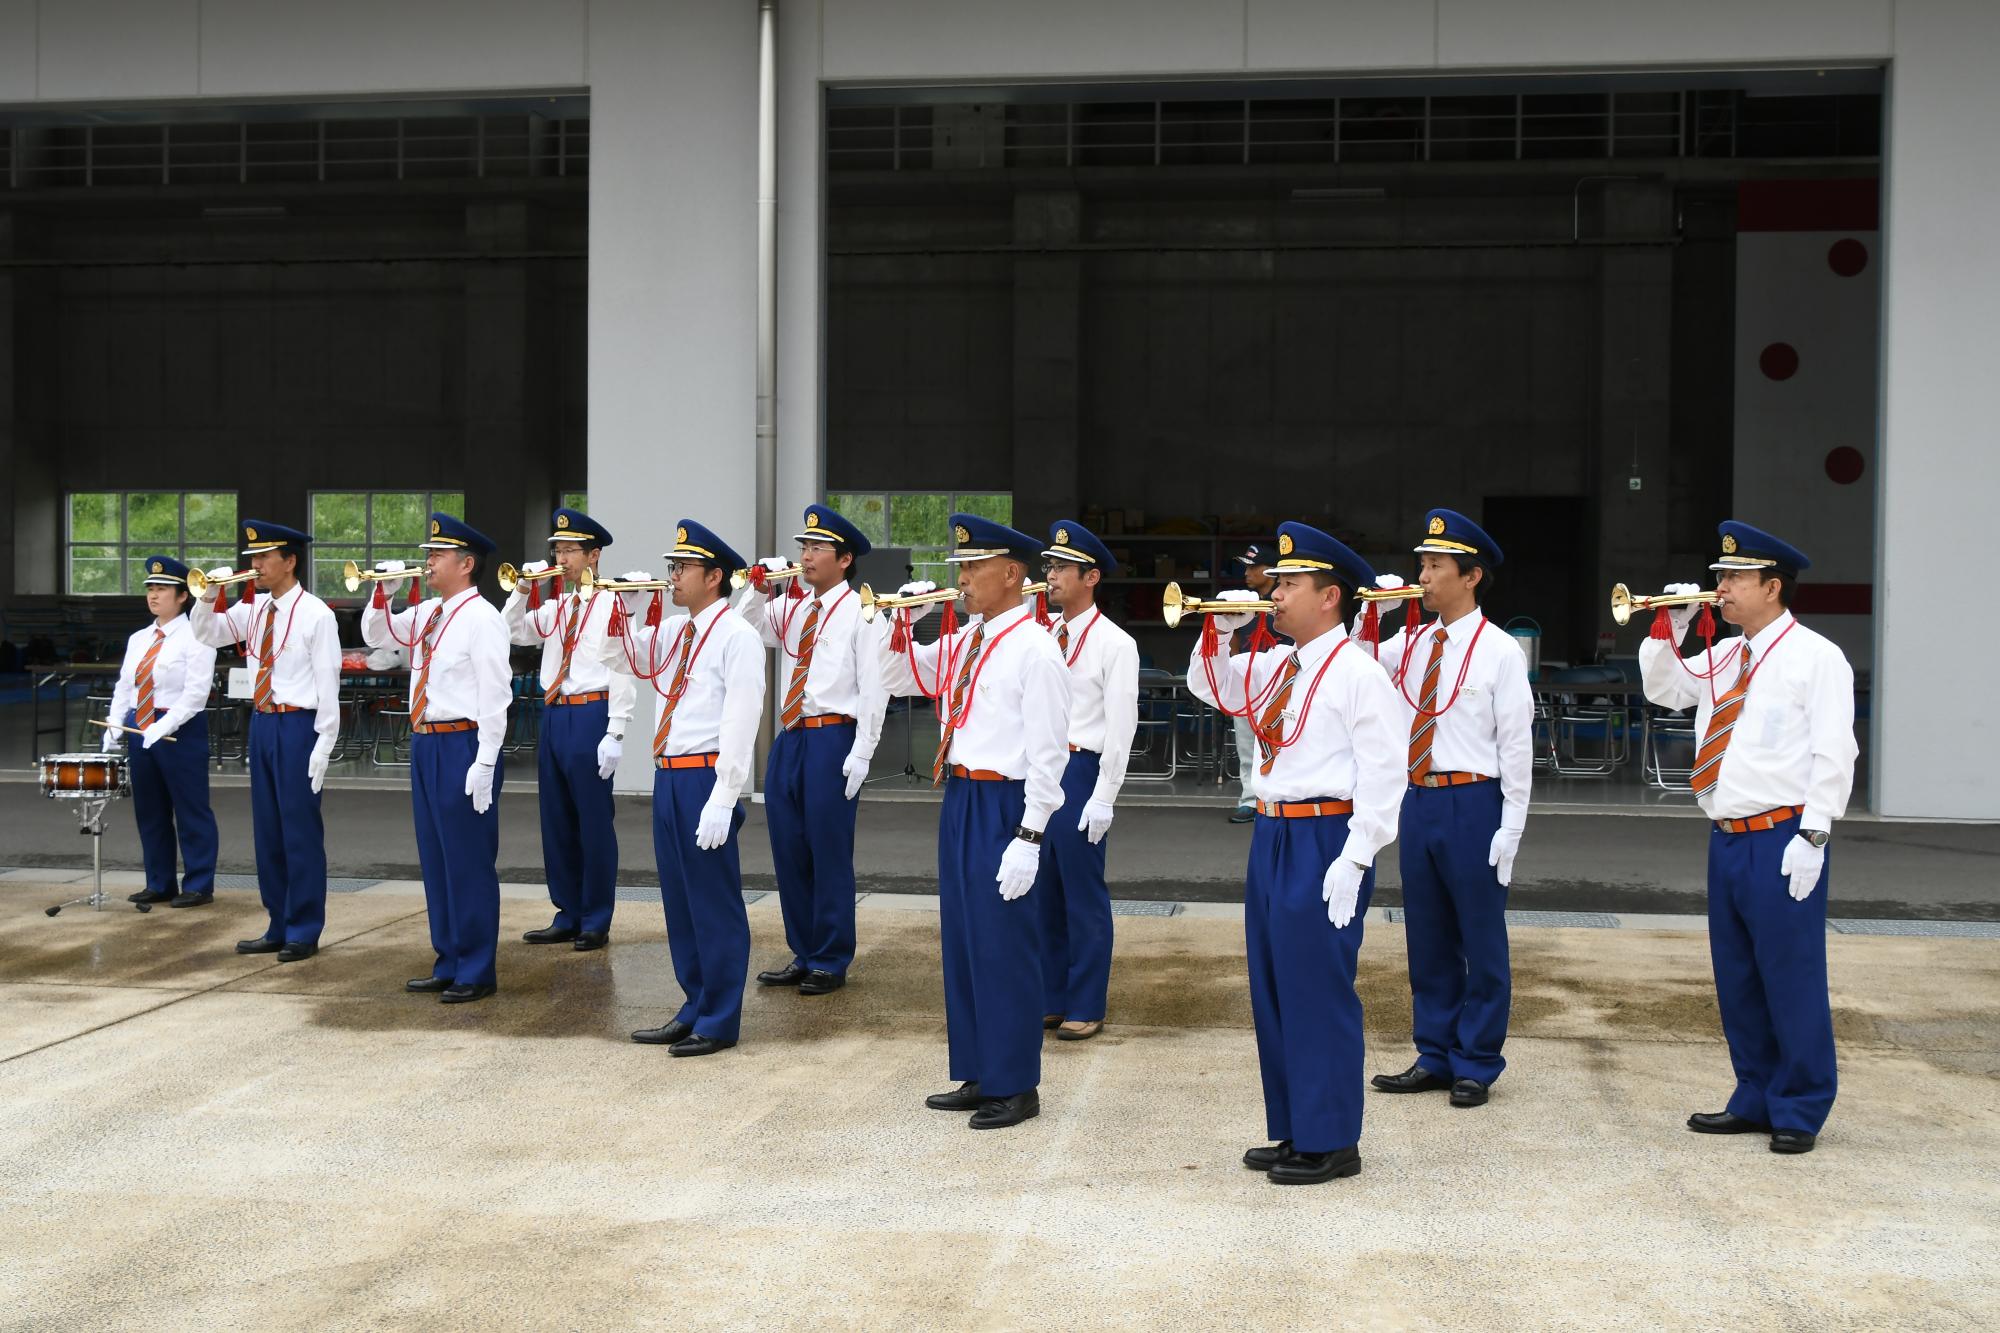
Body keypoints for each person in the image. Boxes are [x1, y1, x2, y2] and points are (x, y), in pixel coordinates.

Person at [1186, 522, 1402, 1184]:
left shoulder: (1359, 672)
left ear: (1331, 596)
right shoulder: (1283, 664)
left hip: (1325, 834)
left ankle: (1332, 1137)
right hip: (1276, 832)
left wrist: (1357, 854)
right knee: (1275, 986)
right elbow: (1210, 686)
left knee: (1318, 988)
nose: (1274, 595)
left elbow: (1386, 772)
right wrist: (1217, 633)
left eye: (1289, 584)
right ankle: (1294, 1127)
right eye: (1275, 583)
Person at [1639, 521, 1856, 1155]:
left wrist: (1815, 833)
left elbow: (1834, 752)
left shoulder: (1816, 657)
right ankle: (1754, 1093)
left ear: (1772, 587)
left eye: (1734, 579)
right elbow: (1664, 688)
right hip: (1728, 835)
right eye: (1719, 578)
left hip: (1782, 833)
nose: (1722, 589)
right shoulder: (1727, 655)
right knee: (1737, 974)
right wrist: (1670, 626)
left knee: (1790, 974)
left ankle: (1801, 1103)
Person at [878, 515, 1070, 1129]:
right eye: (960, 566)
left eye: (973, 566)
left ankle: (1015, 1084)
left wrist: (1031, 834)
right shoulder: (970, 639)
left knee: (1005, 945)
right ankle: (979, 1069)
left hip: (1004, 802)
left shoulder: (1035, 648)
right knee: (964, 941)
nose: (961, 578)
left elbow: (1049, 752)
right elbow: (894, 676)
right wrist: (899, 623)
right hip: (962, 796)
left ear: (1012, 573)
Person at [1365, 510, 1535, 1109]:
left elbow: (1516, 744)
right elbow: (1356, 667)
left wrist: (1511, 823)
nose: (1424, 575)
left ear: (1471, 576)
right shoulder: (1410, 642)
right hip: (1421, 797)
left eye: (1436, 566)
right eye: (1422, 564)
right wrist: (1373, 618)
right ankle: (1434, 1051)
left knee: (1480, 935)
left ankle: (1477, 1059)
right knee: (1427, 934)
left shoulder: (1498, 652)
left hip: (1473, 798)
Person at [623, 521, 766, 1056]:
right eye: (672, 568)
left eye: (682, 569)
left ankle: (720, 1017)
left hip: (706, 775)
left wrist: (725, 796)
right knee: (679, 902)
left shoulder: (737, 636)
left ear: (714, 577)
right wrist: (629, 607)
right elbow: (628, 660)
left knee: (713, 902)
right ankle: (694, 1002)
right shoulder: (677, 633)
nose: (673, 577)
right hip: (669, 773)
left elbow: (741, 721)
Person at [361, 516, 513, 1004]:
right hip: (427, 741)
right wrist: (381, 591)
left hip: (462, 742)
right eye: (429, 553)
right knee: (436, 857)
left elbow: (496, 694)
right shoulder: (430, 612)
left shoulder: (482, 618)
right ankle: (447, 958)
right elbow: (379, 635)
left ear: (466, 565)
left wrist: (487, 759)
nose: (428, 561)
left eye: (438, 554)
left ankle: (475, 967)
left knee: (467, 860)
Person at [741, 504, 890, 996]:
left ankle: (830, 956)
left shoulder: (863, 613)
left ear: (844, 559)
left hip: (833, 736)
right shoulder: (794, 606)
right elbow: (746, 627)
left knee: (827, 851)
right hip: (792, 735)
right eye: (803, 547)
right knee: (789, 849)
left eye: (816, 549)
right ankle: (802, 950)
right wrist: (758, 588)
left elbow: (873, 687)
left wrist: (863, 751)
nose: (804, 556)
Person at [191, 520, 341, 962]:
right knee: (268, 831)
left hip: (298, 724)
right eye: (252, 559)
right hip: (264, 722)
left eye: (263, 558)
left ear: (289, 561)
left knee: (299, 830)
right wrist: (205, 596)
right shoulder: (253, 608)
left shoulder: (317, 614)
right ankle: (278, 921)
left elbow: (328, 682)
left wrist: (323, 743)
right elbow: (207, 633)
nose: (254, 566)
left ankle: (305, 927)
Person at [505, 507, 633, 952]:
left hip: (591, 711)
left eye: (570, 549)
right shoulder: (559, 603)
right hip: (556, 710)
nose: (561, 556)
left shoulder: (614, 600)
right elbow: (515, 630)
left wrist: (616, 730)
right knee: (556, 817)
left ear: (594, 554)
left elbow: (622, 669)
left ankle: (596, 916)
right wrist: (523, 590)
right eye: (557, 548)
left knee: (593, 821)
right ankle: (568, 910)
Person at [1034, 520, 1140, 1041]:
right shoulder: (1042, 636)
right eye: (1049, 567)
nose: (1049, 576)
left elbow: (1121, 728)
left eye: (1060, 568)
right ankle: (1053, 994)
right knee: (1042, 890)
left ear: (1091, 576)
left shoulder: (1114, 643)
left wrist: (1104, 797)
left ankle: (1086, 1001)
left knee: (1081, 893)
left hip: (1081, 768)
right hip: (1042, 766)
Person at [108, 556, 220, 908]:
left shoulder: (197, 635)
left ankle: (199, 884)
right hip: (140, 725)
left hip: (179, 728)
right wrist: (114, 725)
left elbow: (196, 694)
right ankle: (159, 882)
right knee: (150, 809)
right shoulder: (139, 638)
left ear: (183, 596)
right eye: (150, 589)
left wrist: (163, 726)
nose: (153, 596)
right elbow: (126, 686)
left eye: (162, 589)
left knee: (191, 809)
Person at [1229, 544, 1278, 823]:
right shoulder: (1244, 598)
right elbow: (1234, 633)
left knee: (1281, 741)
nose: (1247, 573)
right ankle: (1249, 798)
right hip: (1249, 678)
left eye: (1252, 567)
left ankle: (1273, 797)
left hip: (1280, 679)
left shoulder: (1286, 597)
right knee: (1246, 742)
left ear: (1269, 569)